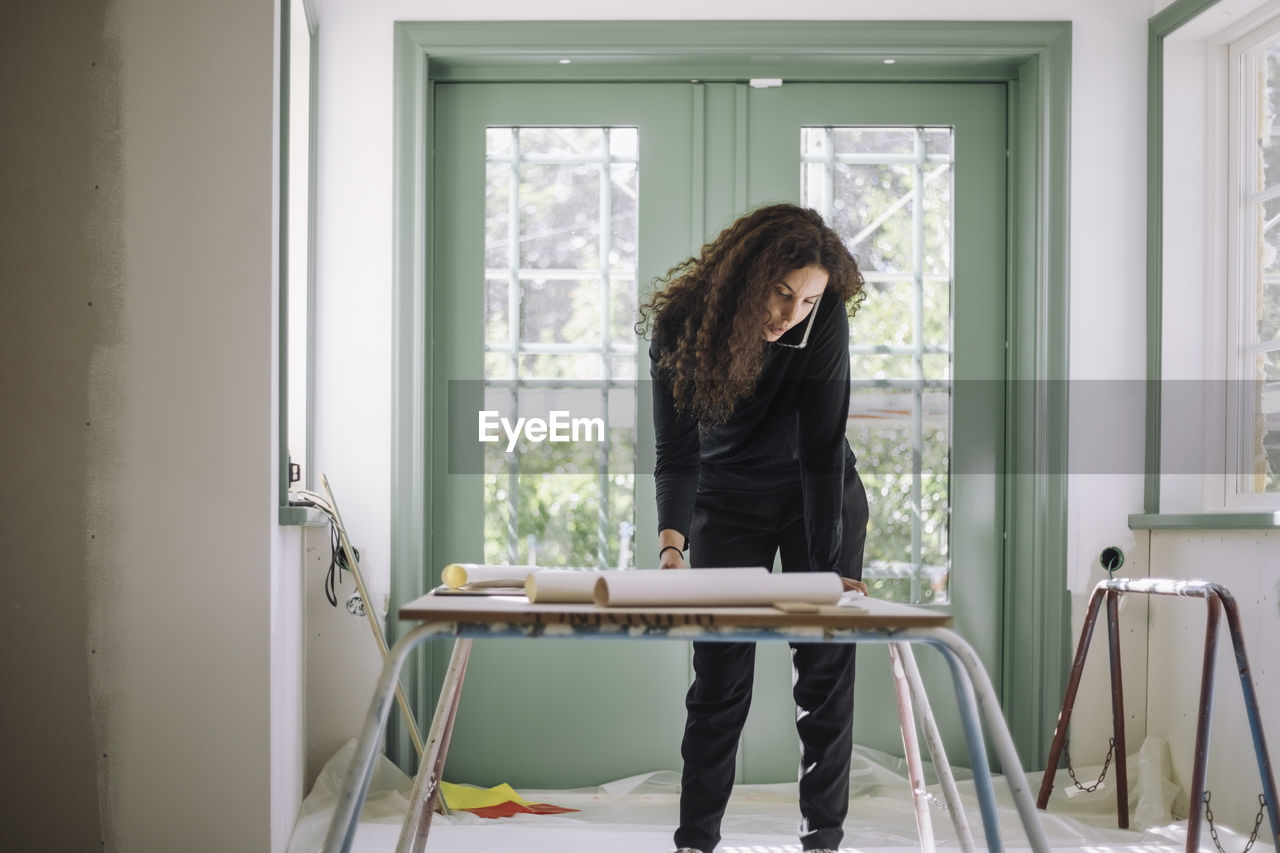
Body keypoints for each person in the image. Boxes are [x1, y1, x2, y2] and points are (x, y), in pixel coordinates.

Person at [638, 203, 870, 853]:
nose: (792, 311)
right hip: (726, 499)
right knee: (718, 674)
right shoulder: (680, 324)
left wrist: (824, 573)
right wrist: (671, 547)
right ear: (750, 274)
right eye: (782, 291)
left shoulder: (822, 319)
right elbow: (676, 454)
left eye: (808, 298)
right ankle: (694, 841)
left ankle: (823, 838)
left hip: (814, 495)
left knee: (823, 667)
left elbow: (824, 448)